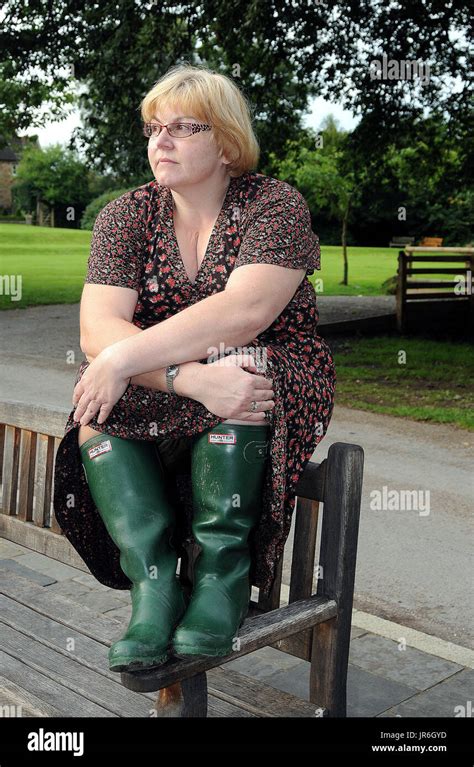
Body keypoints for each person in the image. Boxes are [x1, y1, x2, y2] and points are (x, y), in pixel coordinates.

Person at [53, 63, 336, 674]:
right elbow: (96, 330)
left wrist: (129, 358)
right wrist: (187, 379)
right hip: (182, 386)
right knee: (98, 396)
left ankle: (220, 579)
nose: (162, 141)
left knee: (241, 369)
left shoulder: (274, 205)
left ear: (227, 140)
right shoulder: (125, 215)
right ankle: (154, 585)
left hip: (269, 372)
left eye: (185, 127)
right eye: (155, 128)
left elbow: (246, 311)